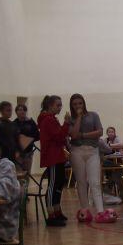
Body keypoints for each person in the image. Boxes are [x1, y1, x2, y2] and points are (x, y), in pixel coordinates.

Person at [68, 93, 106, 219]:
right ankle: (85, 209)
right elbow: (74, 135)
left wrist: (83, 135)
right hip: (77, 151)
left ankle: (100, 211)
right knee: (81, 182)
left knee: (95, 181)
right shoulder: (70, 119)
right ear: (71, 106)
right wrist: (78, 117)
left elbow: (100, 131)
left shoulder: (93, 115)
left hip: (92, 151)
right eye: (75, 104)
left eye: (80, 103)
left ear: (84, 103)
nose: (78, 106)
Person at [37, 95, 71, 227]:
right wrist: (66, 123)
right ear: (50, 106)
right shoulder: (48, 120)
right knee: (53, 185)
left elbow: (60, 137)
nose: (60, 107)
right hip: (52, 157)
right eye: (58, 105)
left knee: (59, 183)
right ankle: (51, 215)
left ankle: (57, 211)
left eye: (61, 105)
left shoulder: (52, 119)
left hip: (58, 155)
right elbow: (59, 136)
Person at [13, 103, 39, 173]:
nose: (22, 111)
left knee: (27, 173)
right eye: (20, 110)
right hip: (18, 153)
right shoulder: (14, 124)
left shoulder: (31, 122)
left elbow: (37, 135)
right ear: (16, 112)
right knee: (18, 173)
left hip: (28, 152)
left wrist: (27, 139)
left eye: (24, 110)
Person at [0, 101, 20, 166]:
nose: (10, 112)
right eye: (7, 110)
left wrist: (17, 150)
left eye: (10, 110)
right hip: (3, 153)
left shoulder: (12, 124)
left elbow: (16, 139)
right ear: (1, 111)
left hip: (12, 153)